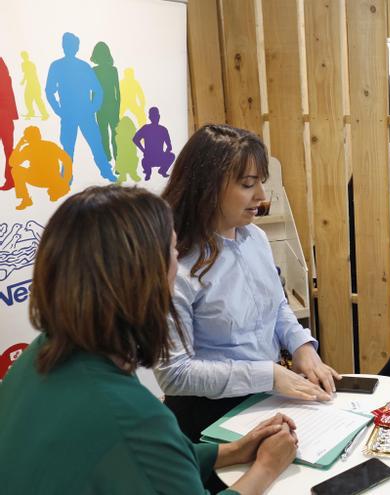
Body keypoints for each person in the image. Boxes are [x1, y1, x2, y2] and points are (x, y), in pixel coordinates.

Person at [0, 185, 299, 495]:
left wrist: (234, 450)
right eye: (172, 250)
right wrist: (266, 467)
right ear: (142, 275)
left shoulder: (37, 359)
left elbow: (147, 457)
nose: (179, 263)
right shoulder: (133, 418)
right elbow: (139, 447)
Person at [155, 124, 339, 444]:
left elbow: (276, 304)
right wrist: (267, 374)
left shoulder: (255, 237)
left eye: (260, 183)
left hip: (265, 395)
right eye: (247, 184)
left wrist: (302, 346)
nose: (261, 197)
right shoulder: (177, 265)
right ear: (207, 187)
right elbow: (174, 374)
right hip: (209, 414)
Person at [45, 32, 116, 182]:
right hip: (69, 114)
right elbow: (49, 90)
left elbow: (98, 90)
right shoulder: (56, 66)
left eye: (71, 44)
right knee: (68, 147)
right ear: (63, 46)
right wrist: (58, 110)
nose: (68, 47)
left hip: (85, 114)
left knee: (96, 144)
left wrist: (93, 108)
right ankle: (66, 176)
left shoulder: (84, 67)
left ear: (76, 47)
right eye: (66, 44)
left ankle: (105, 171)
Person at [8, 126, 72, 210]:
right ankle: (27, 199)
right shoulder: (43, 146)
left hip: (50, 179)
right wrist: (65, 179)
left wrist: (66, 180)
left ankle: (53, 192)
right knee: (16, 170)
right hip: (43, 179)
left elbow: (67, 160)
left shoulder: (45, 146)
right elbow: (12, 163)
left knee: (16, 170)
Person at [90, 41, 121, 162]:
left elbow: (117, 91)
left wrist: (117, 107)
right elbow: (93, 91)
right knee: (105, 134)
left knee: (112, 134)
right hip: (103, 107)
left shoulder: (113, 70)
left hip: (109, 106)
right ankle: (108, 157)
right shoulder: (97, 71)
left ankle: (114, 157)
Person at [133, 106, 175, 180]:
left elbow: (169, 146)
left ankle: (162, 170)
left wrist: (166, 151)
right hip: (149, 158)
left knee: (171, 156)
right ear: (150, 117)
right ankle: (148, 172)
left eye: (156, 116)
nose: (155, 118)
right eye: (153, 116)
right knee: (144, 162)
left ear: (159, 116)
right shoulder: (146, 128)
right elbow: (135, 139)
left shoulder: (163, 130)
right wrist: (143, 150)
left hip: (160, 157)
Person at [0, 57, 19, 190]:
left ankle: (11, 179)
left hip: (4, 114)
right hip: (5, 114)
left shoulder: (1, 66)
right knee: (9, 149)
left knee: (8, 149)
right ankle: (11, 179)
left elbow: (7, 89)